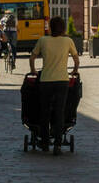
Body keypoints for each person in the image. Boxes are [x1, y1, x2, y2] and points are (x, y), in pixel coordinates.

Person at [29, 16, 80, 155]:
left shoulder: (43, 40)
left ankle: (45, 143)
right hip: (62, 81)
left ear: (50, 27)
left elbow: (32, 57)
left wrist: (33, 70)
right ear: (63, 28)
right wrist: (75, 70)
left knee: (44, 112)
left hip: (45, 81)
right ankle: (58, 143)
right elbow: (76, 59)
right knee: (59, 112)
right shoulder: (68, 41)